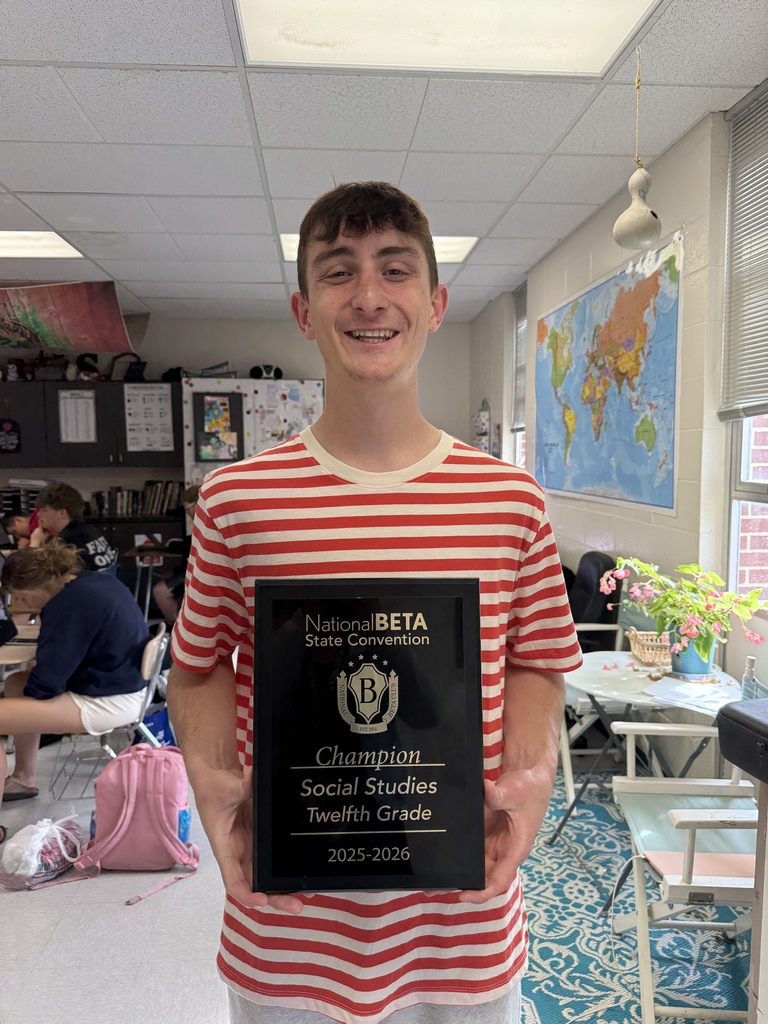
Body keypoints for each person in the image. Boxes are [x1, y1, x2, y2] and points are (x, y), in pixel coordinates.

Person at [167, 181, 582, 1024]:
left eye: (395, 270)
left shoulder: (512, 502)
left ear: (433, 303)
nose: (368, 296)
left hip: (461, 927)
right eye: (338, 272)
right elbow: (197, 668)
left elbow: (537, 659)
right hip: (287, 930)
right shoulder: (237, 499)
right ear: (302, 308)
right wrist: (213, 788)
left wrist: (531, 774)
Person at [0, 544, 149, 828]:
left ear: (35, 585)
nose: (20, 601)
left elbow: (46, 686)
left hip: (105, 702)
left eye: (20, 595)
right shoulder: (95, 582)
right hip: (125, 687)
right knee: (15, 682)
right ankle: (23, 778)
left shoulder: (68, 604)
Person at [33, 481, 119, 573]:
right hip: (106, 585)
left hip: (84, 586)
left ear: (62, 513)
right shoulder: (89, 529)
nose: (38, 514)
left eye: (44, 510)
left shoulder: (66, 541)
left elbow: (34, 576)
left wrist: (35, 543)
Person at [150, 485, 200, 624]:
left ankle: (174, 626)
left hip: (200, 575)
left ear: (197, 505)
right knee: (169, 576)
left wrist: (173, 545)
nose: (188, 512)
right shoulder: (203, 524)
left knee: (160, 591)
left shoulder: (206, 526)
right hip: (194, 571)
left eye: (187, 508)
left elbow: (191, 550)